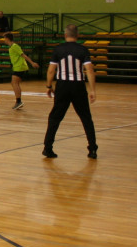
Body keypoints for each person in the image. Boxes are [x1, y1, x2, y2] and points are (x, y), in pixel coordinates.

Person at [42, 24, 98, 159]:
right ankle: (92, 150)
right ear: (77, 35)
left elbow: (51, 70)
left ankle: (47, 148)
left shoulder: (58, 49)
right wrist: (92, 90)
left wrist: (49, 86)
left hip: (62, 86)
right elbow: (89, 70)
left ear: (65, 35)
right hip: (78, 86)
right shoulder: (83, 50)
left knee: (55, 117)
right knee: (86, 118)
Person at [3, 32, 40, 110]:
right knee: (15, 83)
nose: (4, 40)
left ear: (7, 38)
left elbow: (23, 55)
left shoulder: (15, 46)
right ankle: (18, 101)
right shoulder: (11, 47)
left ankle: (18, 101)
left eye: (4, 38)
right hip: (18, 67)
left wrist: (32, 63)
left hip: (19, 67)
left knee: (14, 83)